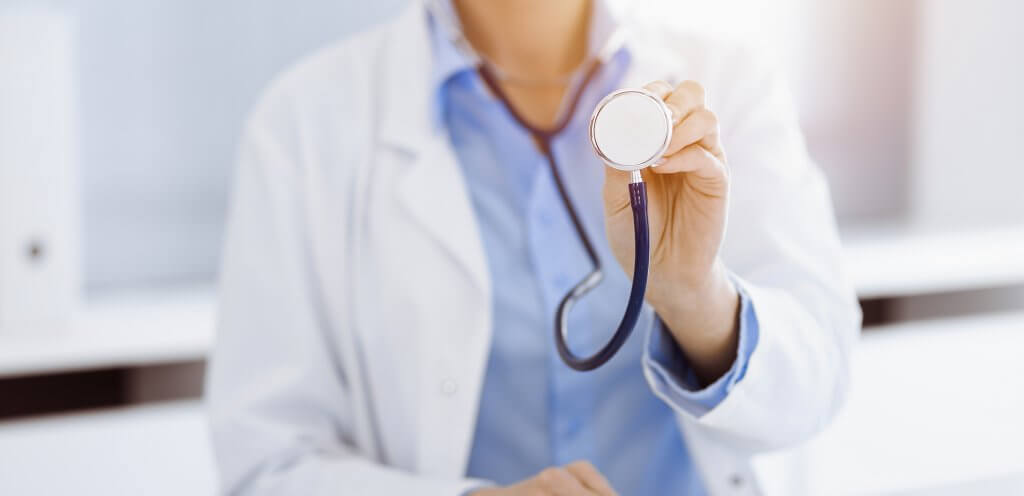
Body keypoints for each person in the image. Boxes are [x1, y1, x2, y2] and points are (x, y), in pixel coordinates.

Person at [206, 0, 861, 494]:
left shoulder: (726, 82)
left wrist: (695, 296)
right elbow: (267, 464)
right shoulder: (304, 123)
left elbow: (816, 379)